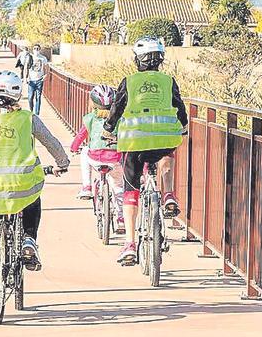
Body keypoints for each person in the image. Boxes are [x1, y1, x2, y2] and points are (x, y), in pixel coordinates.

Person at [0, 70, 70, 285]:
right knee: (32, 200)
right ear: (17, 95)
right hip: (22, 183)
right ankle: (29, 238)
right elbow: (51, 142)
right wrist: (62, 163)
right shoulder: (28, 119)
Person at [102, 37, 188, 265]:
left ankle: (130, 243)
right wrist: (185, 126)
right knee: (167, 153)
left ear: (137, 59)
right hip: (165, 138)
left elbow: (116, 108)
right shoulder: (168, 80)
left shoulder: (129, 82)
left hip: (134, 143)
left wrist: (108, 129)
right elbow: (179, 107)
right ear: (160, 60)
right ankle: (168, 193)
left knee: (131, 189)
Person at [70, 84, 125, 231]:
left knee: (84, 151)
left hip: (95, 158)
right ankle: (121, 219)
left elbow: (81, 136)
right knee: (118, 187)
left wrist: (74, 148)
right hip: (115, 158)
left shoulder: (90, 118)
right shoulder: (119, 119)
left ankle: (86, 186)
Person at [26, 44, 49, 115]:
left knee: (38, 97)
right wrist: (26, 77)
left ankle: (36, 113)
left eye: (37, 49)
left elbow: (47, 68)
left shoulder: (43, 58)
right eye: (34, 48)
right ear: (32, 50)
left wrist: (45, 75)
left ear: (40, 49)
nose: (36, 50)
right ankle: (31, 111)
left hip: (39, 80)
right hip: (31, 80)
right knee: (30, 97)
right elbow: (26, 68)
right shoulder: (30, 57)